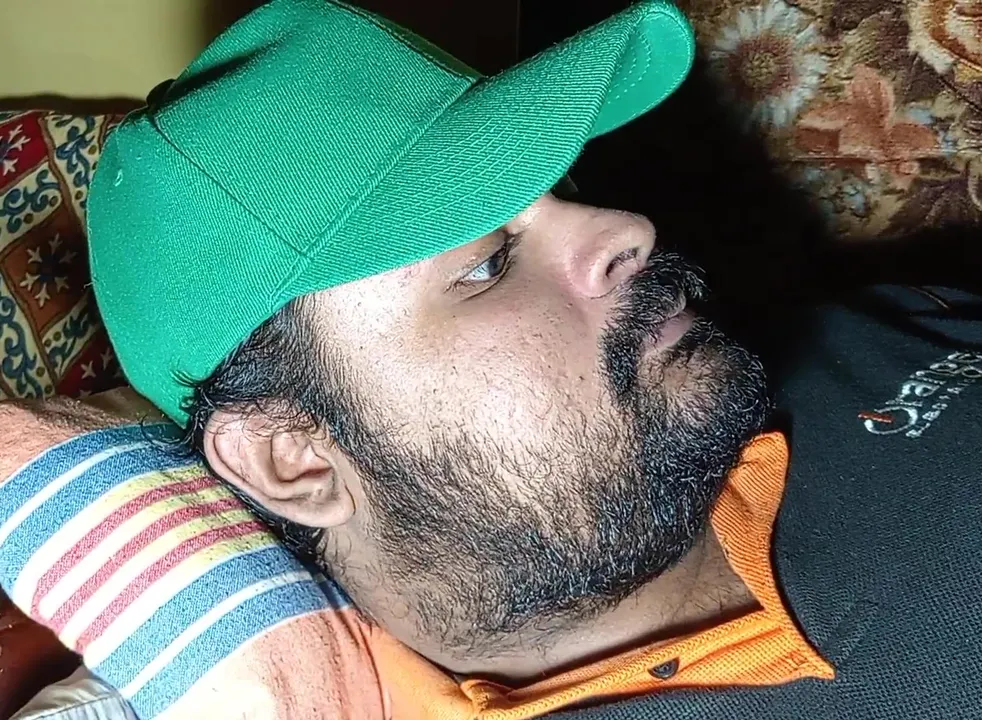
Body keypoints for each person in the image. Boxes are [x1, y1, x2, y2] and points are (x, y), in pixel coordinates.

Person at [86, 0, 982, 716]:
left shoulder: (822, 340)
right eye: (487, 264)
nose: (628, 229)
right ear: (294, 459)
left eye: (566, 188)